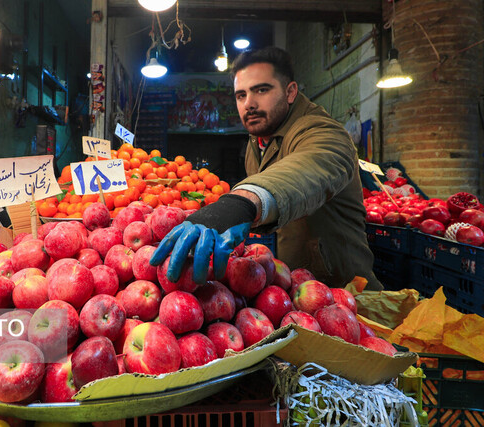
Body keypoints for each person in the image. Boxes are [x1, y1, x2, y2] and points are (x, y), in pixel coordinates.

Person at [151, 46, 382, 291]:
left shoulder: (324, 132)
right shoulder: (259, 140)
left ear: (290, 92)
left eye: (261, 90)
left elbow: (310, 166)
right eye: (241, 95)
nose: (249, 104)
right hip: (294, 291)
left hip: (347, 296)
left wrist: (237, 205)